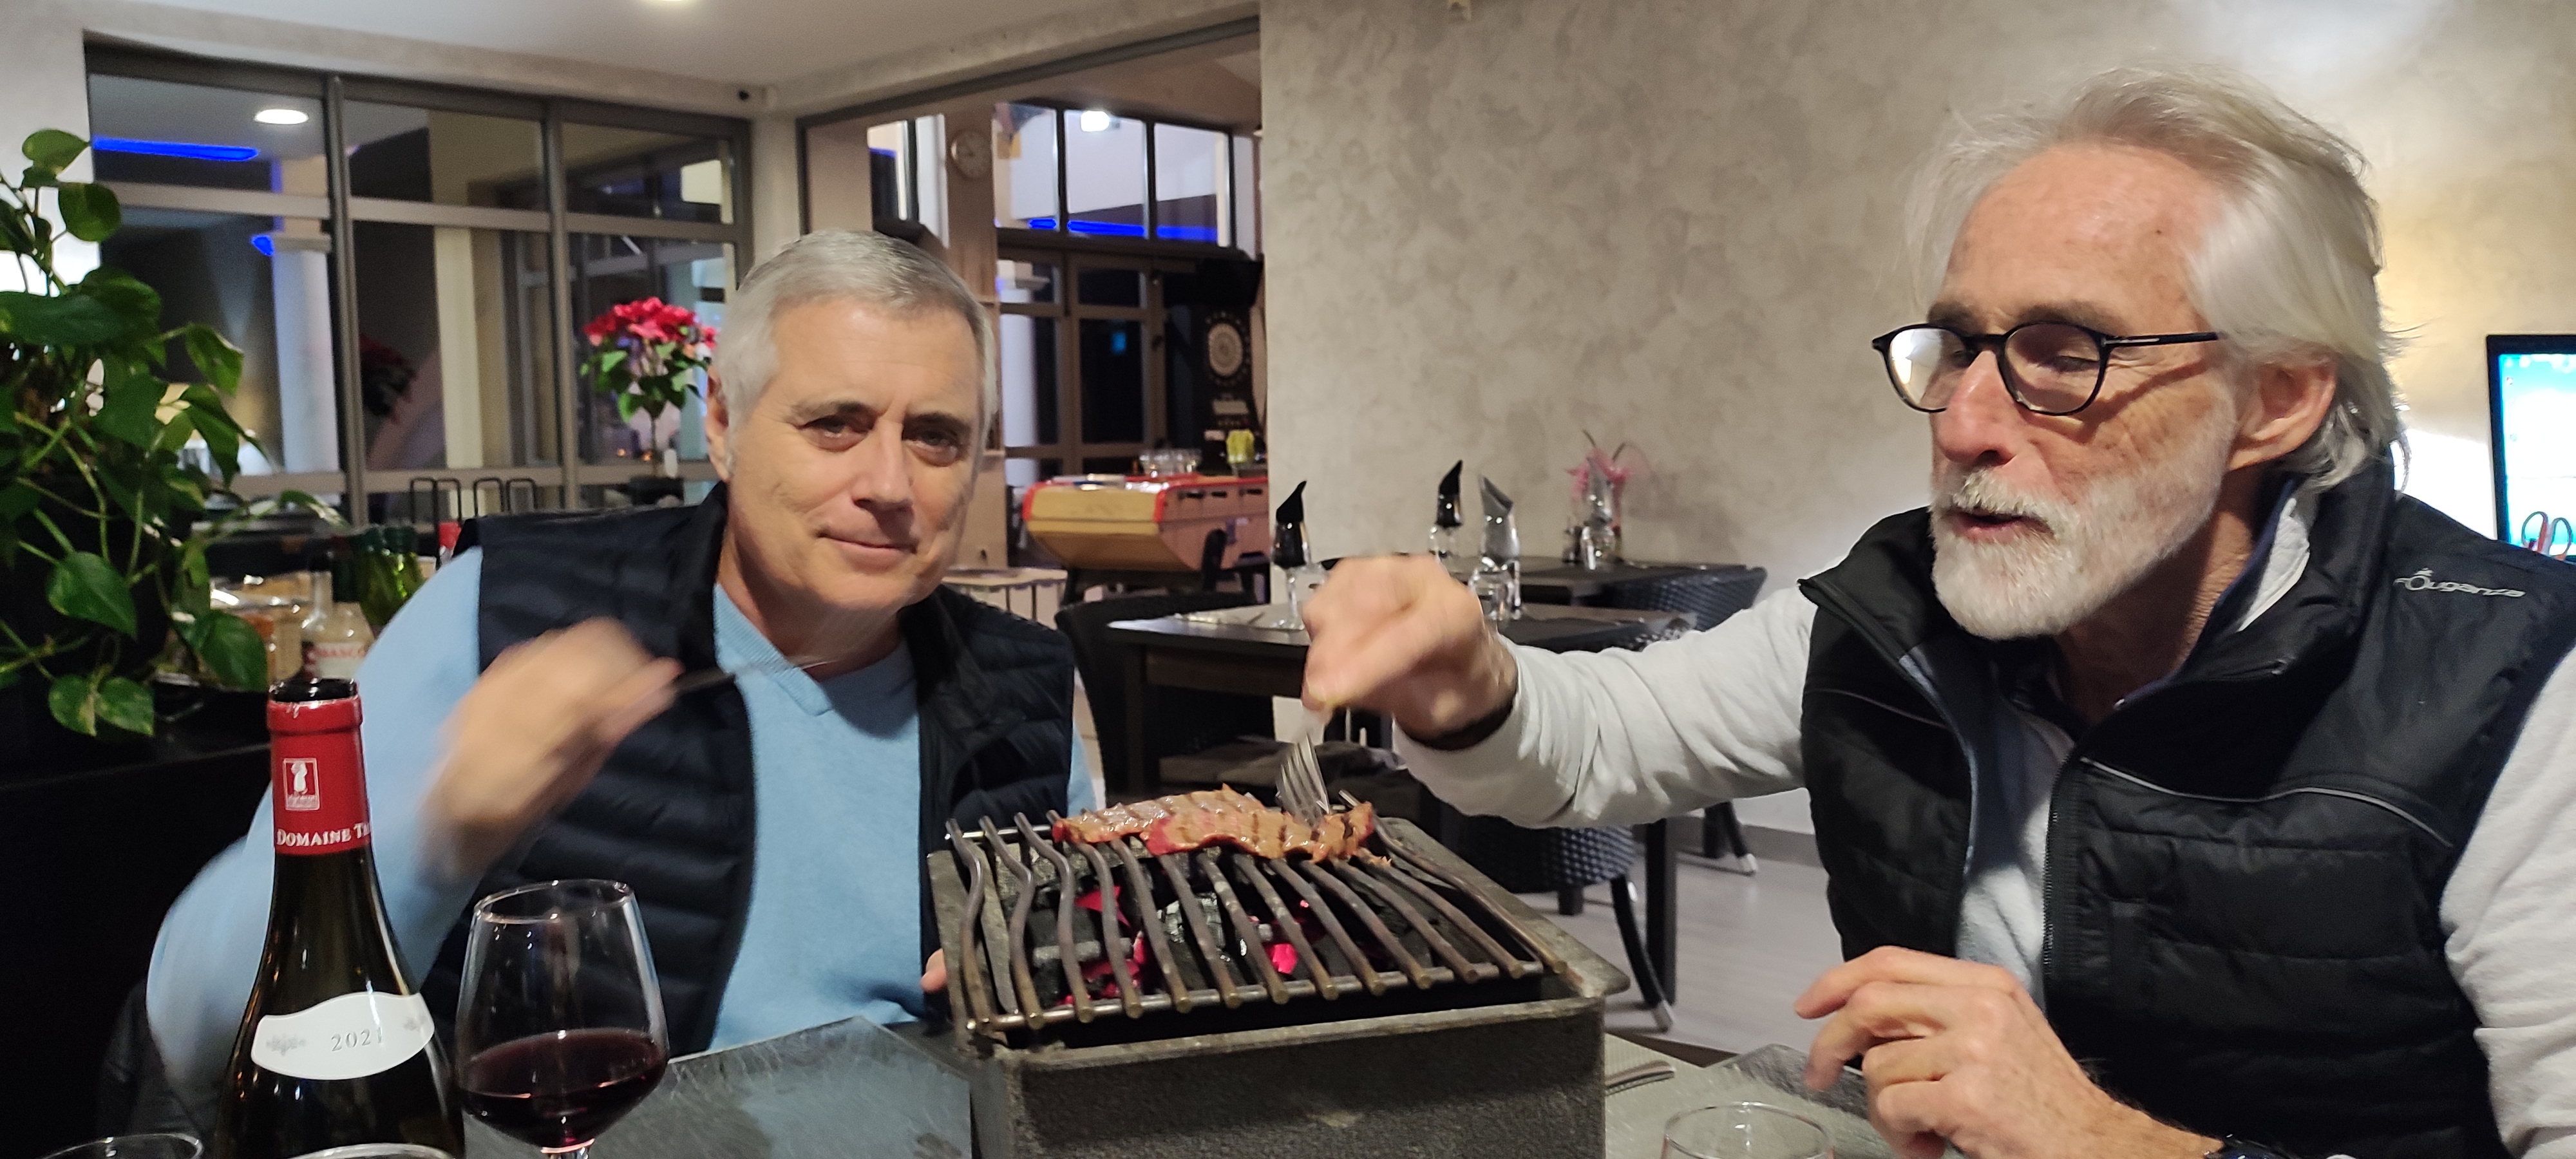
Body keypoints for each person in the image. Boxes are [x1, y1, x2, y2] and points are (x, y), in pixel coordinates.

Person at [1302, 67, 2576, 1159]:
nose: (1964, 424)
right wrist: (1469, 681)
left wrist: (2106, 1144)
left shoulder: (2513, 691)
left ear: (2277, 400)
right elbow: (1595, 742)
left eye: (2065, 353)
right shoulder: (1894, 616)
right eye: (1959, 346)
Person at [146, 229, 1090, 1120]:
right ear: (723, 423)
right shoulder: (504, 609)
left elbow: (1093, 967)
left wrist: (1086, 961)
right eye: (834, 424)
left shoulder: (1024, 685)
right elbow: (195, 1023)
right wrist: (439, 828)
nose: (888, 484)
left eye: (935, 436)